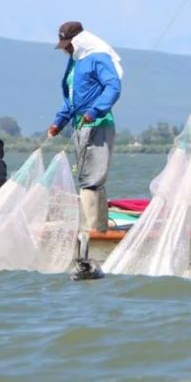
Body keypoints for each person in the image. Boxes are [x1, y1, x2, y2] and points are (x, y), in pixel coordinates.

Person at [47, 21, 122, 232]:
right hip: (80, 125)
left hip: (98, 123)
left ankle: (94, 231)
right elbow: (73, 97)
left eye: (69, 45)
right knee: (86, 176)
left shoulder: (98, 58)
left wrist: (95, 110)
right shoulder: (75, 62)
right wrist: (59, 122)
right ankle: (95, 228)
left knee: (92, 177)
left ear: (79, 41)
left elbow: (113, 86)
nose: (66, 50)